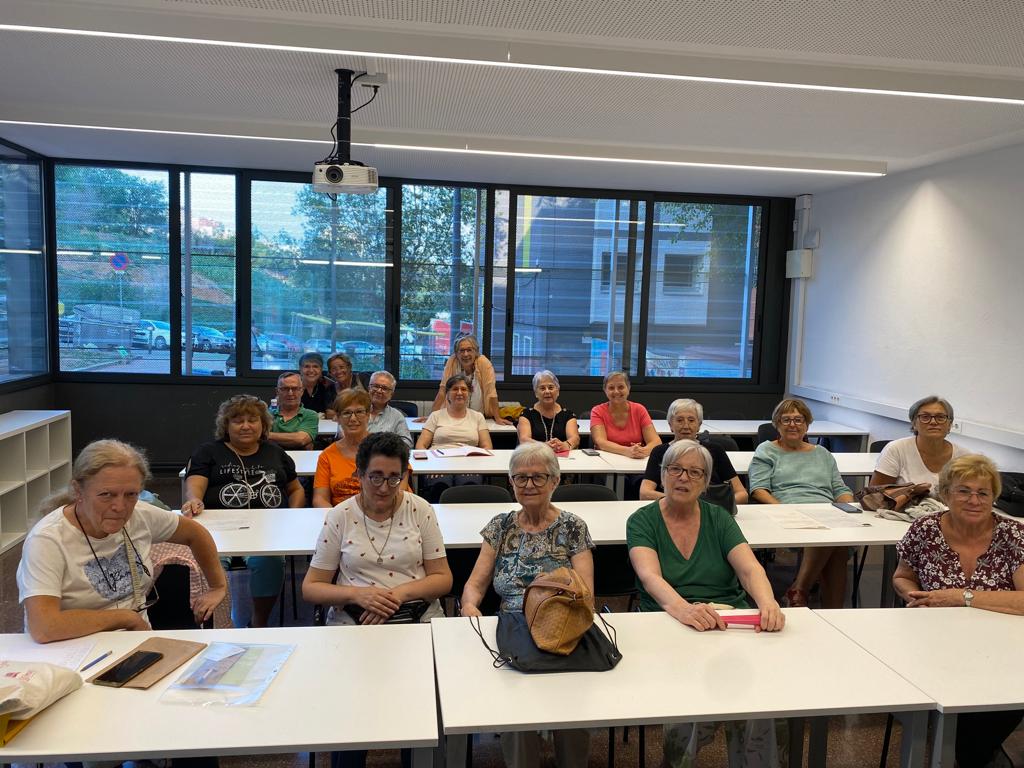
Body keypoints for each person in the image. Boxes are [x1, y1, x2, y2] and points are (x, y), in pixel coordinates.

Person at [628, 439, 784, 768]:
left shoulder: (719, 518)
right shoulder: (642, 520)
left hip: (727, 621)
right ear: (662, 474)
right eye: (675, 469)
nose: (683, 478)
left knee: (760, 698)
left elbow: (749, 568)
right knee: (688, 696)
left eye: (694, 472)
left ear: (705, 482)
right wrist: (685, 609)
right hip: (667, 620)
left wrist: (767, 602)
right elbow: (650, 577)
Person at [304, 431, 453, 768]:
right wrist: (359, 594)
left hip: (416, 616)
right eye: (375, 477)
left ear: (404, 476)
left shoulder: (420, 509)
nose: (384, 487)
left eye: (393, 478)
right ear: (359, 474)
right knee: (354, 710)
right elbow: (312, 587)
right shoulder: (340, 515)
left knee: (418, 711)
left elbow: (443, 579)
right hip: (355, 620)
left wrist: (396, 596)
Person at [461, 442, 594, 768]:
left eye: (538, 477)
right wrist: (469, 607)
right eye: (520, 478)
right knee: (516, 708)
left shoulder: (573, 527)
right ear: (511, 482)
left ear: (555, 481)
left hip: (563, 621)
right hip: (513, 623)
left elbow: (586, 592)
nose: (529, 484)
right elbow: (475, 584)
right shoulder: (500, 526)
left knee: (572, 702)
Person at [17, 439, 226, 643]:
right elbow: (44, 627)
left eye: (131, 494)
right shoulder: (47, 540)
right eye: (106, 494)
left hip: (134, 641)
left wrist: (217, 586)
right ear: (78, 491)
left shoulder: (140, 515)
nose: (120, 507)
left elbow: (195, 533)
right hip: (71, 649)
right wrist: (125, 618)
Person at [893, 454, 1024, 768]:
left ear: (994, 497)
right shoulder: (925, 529)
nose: (974, 501)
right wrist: (913, 595)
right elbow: (902, 576)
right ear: (945, 494)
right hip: (934, 641)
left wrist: (962, 597)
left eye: (983, 493)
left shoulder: (1013, 535)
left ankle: (973, 752)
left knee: (1006, 694)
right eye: (964, 491)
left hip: (1000, 645)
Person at [182, 394, 305, 627]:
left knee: (270, 560)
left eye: (253, 420)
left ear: (263, 425)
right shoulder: (208, 452)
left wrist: (292, 513)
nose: (246, 426)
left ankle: (259, 622)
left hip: (267, 532)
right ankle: (221, 623)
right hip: (219, 531)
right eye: (238, 421)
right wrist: (194, 499)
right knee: (208, 562)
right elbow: (195, 486)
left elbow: (296, 488)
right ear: (226, 426)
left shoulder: (275, 452)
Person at [748, 398, 854, 608]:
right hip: (787, 511)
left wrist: (849, 508)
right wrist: (784, 510)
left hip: (827, 512)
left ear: (807, 424)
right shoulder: (767, 450)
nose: (793, 425)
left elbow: (839, 489)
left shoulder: (822, 453)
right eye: (786, 420)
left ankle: (800, 591)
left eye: (798, 420)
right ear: (777, 424)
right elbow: (759, 489)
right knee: (832, 539)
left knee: (838, 539)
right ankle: (824, 605)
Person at [313, 389, 410, 508]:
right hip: (343, 515)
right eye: (346, 413)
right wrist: (338, 516)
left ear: (368, 415)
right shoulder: (327, 456)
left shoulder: (388, 447)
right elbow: (320, 499)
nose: (353, 418)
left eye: (359, 412)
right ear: (337, 418)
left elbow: (400, 490)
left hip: (385, 511)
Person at [641, 398, 748, 505]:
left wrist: (712, 507)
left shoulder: (715, 451)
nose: (686, 426)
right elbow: (645, 493)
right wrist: (685, 501)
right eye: (679, 420)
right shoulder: (660, 452)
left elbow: (742, 494)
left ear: (699, 425)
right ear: (670, 425)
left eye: (691, 420)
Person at [871, 395, 966, 494]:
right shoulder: (896, 450)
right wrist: (910, 492)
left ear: (949, 425)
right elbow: (875, 494)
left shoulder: (964, 457)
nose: (933, 422)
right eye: (925, 417)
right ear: (914, 424)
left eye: (940, 417)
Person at [427, 334, 511, 425]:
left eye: (469, 350)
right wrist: (431, 417)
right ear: (456, 353)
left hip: (479, 417)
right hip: (453, 416)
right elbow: (443, 390)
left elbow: (491, 392)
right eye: (462, 350)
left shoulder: (484, 363)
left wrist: (497, 418)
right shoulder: (452, 361)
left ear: (476, 352)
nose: (465, 354)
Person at [588, 370, 661, 458]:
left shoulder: (639, 409)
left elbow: (656, 442)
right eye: (611, 388)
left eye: (621, 387)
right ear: (605, 390)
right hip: (606, 460)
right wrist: (628, 451)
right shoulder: (597, 411)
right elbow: (601, 442)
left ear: (628, 388)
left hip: (635, 460)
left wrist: (642, 451)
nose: (616, 391)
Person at [416, 374, 493, 451]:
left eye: (463, 389)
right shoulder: (435, 416)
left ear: (469, 393)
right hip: (439, 457)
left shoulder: (478, 417)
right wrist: (429, 458)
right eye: (455, 389)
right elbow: (420, 445)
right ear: (447, 394)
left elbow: (487, 447)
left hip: (469, 458)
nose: (459, 393)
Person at [517, 369, 580, 453]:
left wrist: (565, 445)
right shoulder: (526, 414)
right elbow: (524, 439)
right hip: (535, 456)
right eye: (542, 388)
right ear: (536, 393)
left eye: (551, 387)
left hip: (562, 456)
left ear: (557, 391)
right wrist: (544, 446)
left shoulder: (568, 414)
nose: (547, 391)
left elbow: (575, 438)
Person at [267, 371, 318, 450]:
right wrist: (292, 439)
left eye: (295, 389)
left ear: (302, 391)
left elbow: (301, 439)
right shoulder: (267, 414)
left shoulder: (310, 415)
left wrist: (266, 435)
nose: (290, 393)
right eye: (285, 389)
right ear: (277, 391)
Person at [366, 370, 413, 448]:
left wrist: (387, 448)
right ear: (369, 388)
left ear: (391, 394)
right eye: (376, 386)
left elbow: (407, 443)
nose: (379, 391)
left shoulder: (397, 416)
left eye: (384, 388)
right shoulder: (356, 412)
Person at [299, 352, 337, 416]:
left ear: (321, 369)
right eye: (307, 366)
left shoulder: (327, 387)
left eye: (315, 366)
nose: (311, 370)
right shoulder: (292, 387)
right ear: (300, 369)